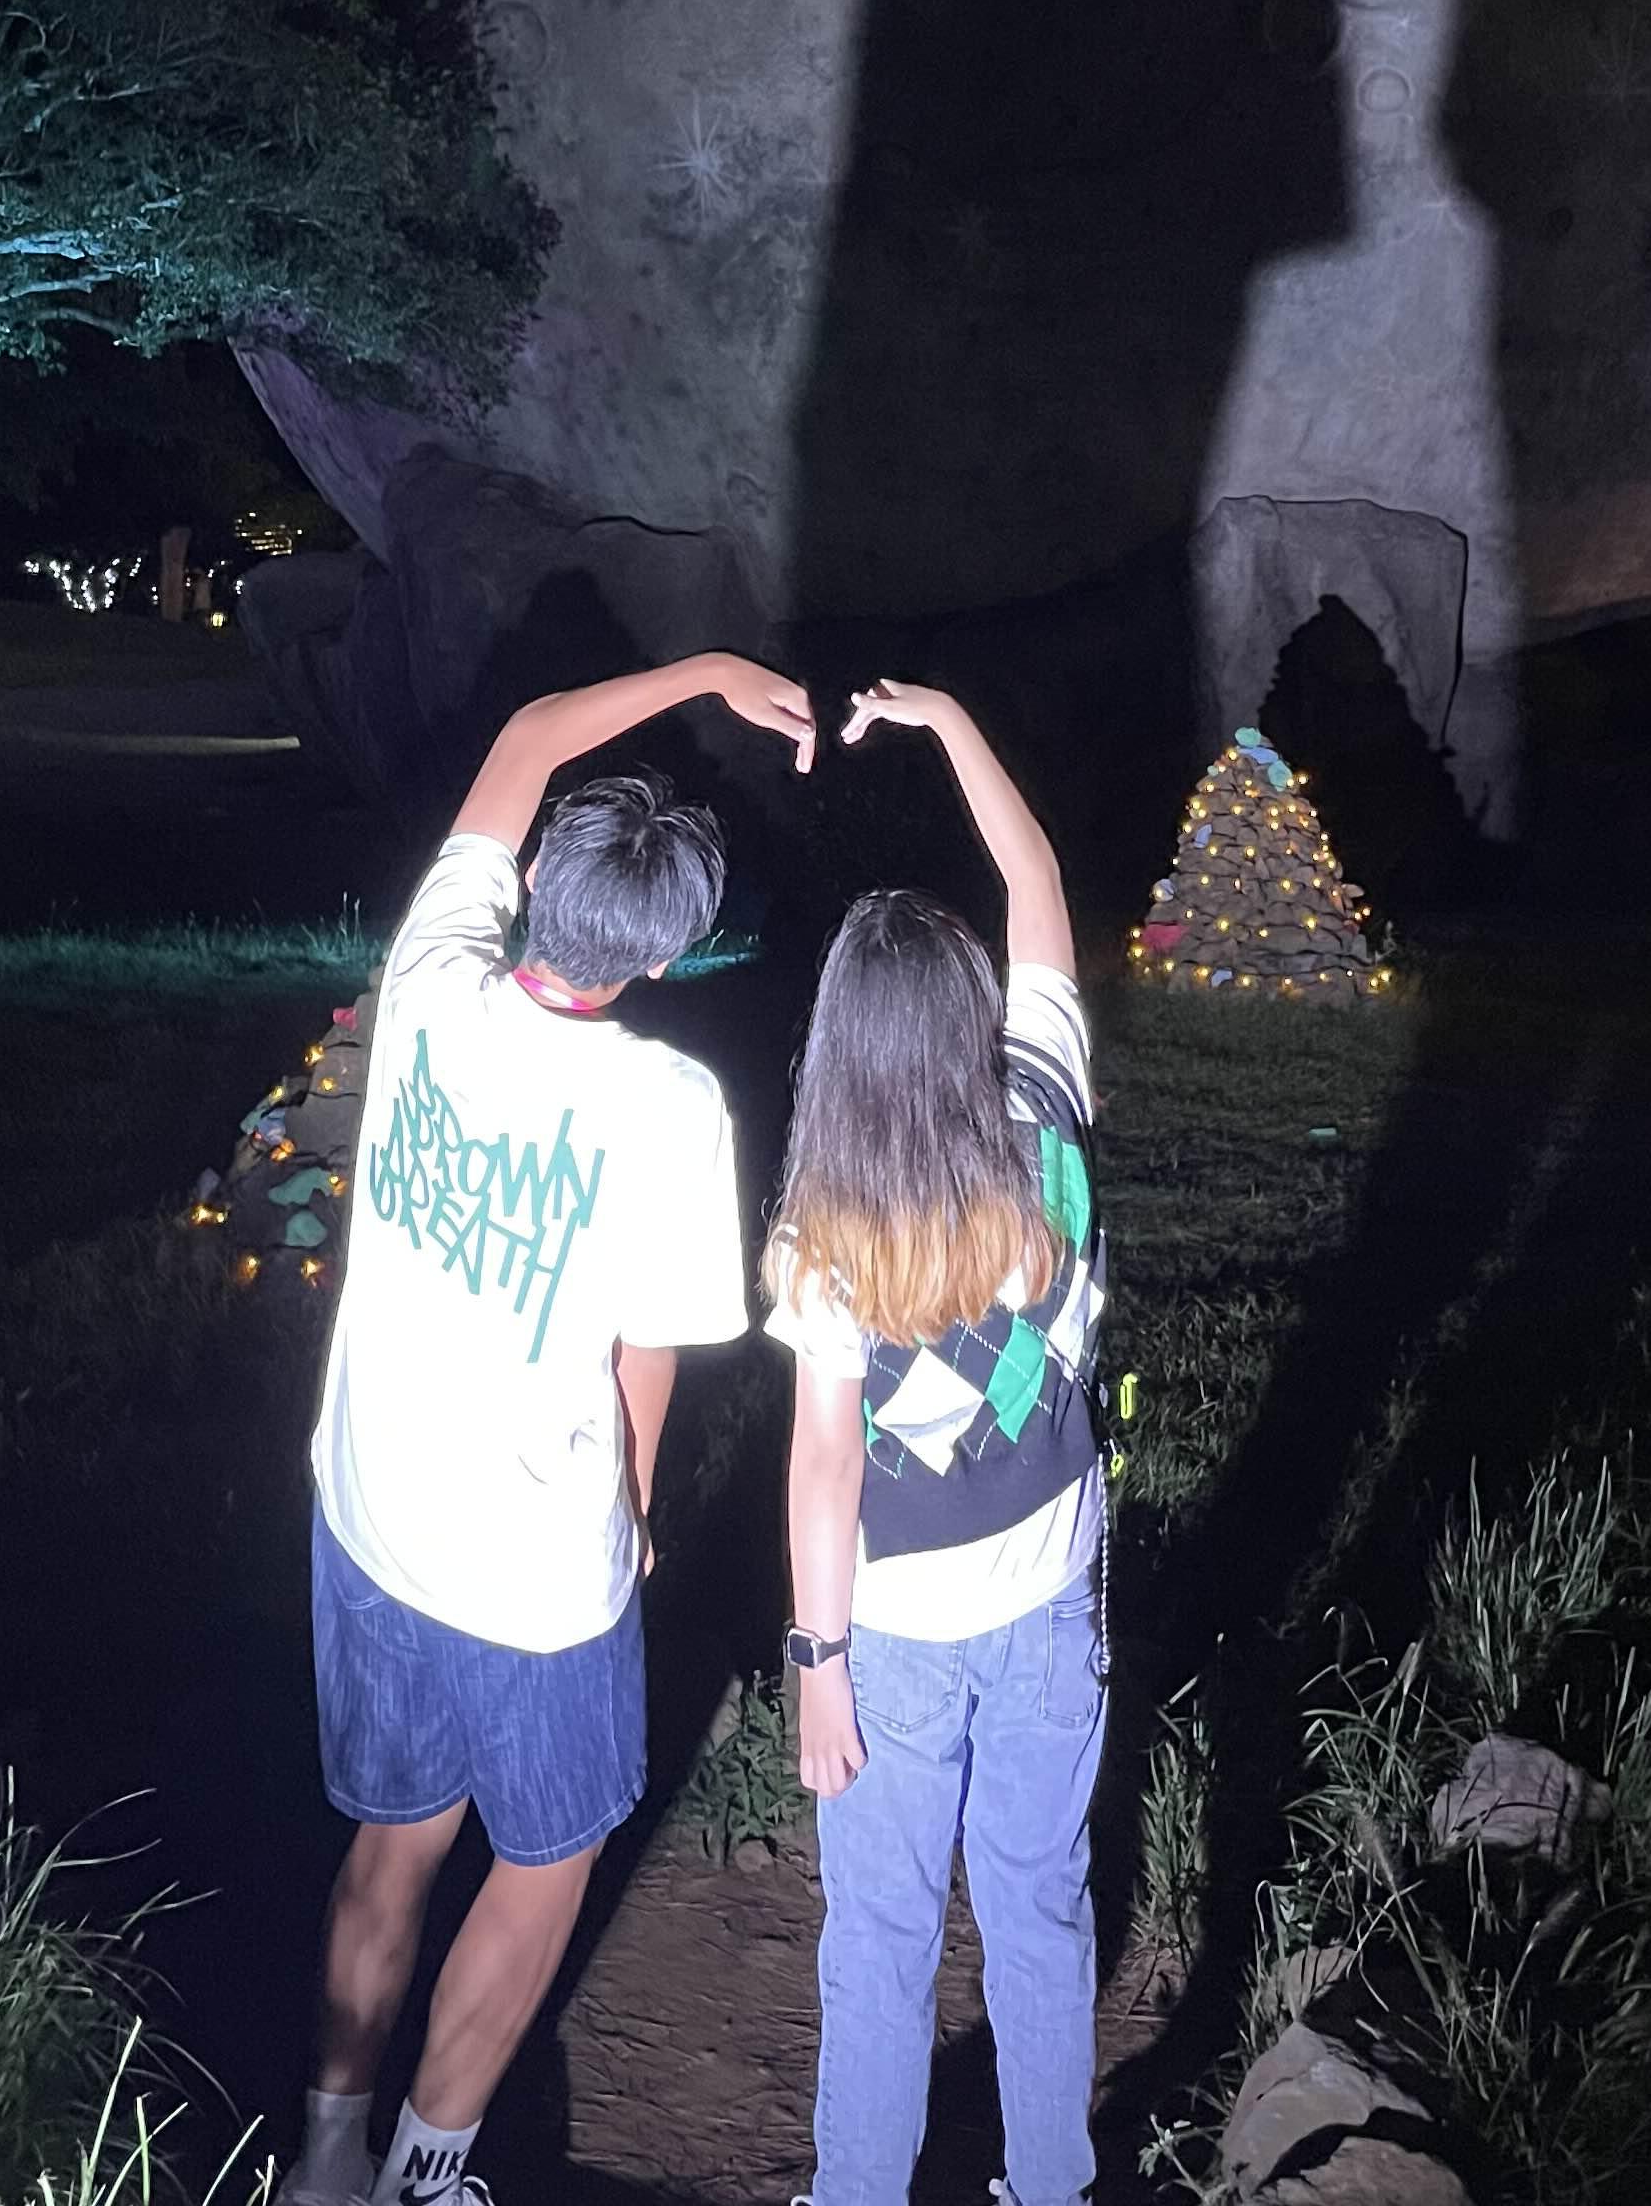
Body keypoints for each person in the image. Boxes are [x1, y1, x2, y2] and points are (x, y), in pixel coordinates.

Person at [292, 650, 816, 2206]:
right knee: (542, 1862)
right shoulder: (669, 1106)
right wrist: (634, 1507)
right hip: (539, 1579)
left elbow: (525, 734)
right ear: (664, 954)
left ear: (529, 881)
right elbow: (648, 1346)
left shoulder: (430, 978)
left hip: (373, 1518)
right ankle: (423, 2175)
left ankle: (325, 2158)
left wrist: (707, 672)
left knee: (393, 1844)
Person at [767, 680, 1109, 2206]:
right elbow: (1035, 876)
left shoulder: (825, 1234)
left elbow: (827, 1463)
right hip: (1053, 1598)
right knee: (1040, 1910)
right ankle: (1054, 2187)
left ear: (840, 1049)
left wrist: (817, 1660)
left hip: (894, 1636)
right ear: (976, 1015)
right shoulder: (1049, 1120)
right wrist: (957, 721)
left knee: (883, 1938)